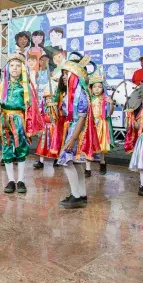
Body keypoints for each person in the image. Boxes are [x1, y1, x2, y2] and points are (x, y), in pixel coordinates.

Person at [0, 54, 43, 194]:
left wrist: (30, 126)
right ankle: (10, 180)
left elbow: (32, 108)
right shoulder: (2, 86)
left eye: (18, 66)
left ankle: (20, 180)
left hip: (20, 120)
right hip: (5, 120)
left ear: (22, 68)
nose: (15, 68)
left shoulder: (26, 87)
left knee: (21, 149)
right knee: (7, 149)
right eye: (12, 66)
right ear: (8, 68)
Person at [56, 55, 101, 208]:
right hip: (72, 129)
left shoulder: (80, 94)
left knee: (66, 162)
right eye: (63, 74)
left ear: (74, 76)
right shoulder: (70, 93)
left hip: (76, 132)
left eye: (66, 74)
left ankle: (76, 195)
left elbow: (81, 118)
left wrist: (72, 139)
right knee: (77, 163)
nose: (63, 77)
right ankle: (81, 194)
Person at [84, 66, 114, 177]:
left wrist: (111, 104)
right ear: (91, 88)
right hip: (91, 125)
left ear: (103, 88)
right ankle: (87, 168)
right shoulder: (88, 99)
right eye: (95, 87)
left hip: (101, 124)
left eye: (99, 87)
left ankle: (102, 162)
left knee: (101, 145)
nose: (97, 89)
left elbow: (109, 114)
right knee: (89, 144)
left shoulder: (105, 99)